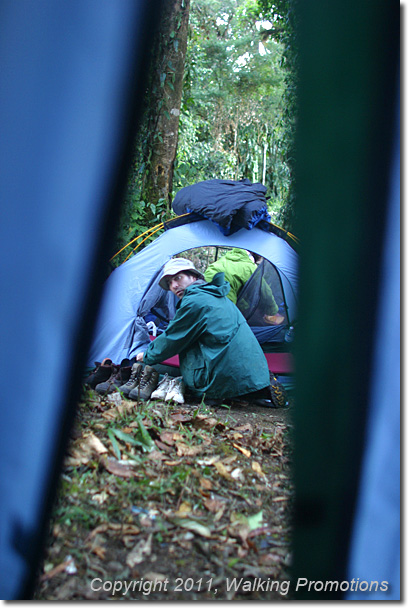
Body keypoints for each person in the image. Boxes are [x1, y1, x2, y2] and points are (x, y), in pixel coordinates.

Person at [135, 257, 274, 403]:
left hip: (222, 377)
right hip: (249, 371)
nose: (174, 286)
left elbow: (172, 339)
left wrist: (146, 356)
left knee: (151, 365)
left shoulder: (195, 301)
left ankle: (189, 385)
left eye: (178, 278)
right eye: (169, 283)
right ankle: (256, 389)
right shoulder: (215, 294)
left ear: (193, 276)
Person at [204, 248, 284, 325]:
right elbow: (265, 293)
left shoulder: (224, 259)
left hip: (203, 301)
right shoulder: (249, 267)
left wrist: (245, 307)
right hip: (222, 311)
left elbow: (235, 292)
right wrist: (272, 312)